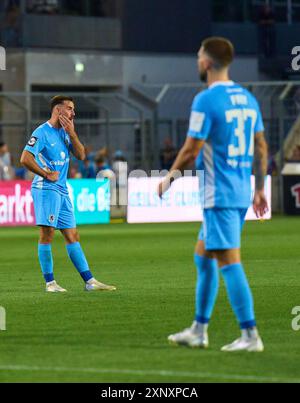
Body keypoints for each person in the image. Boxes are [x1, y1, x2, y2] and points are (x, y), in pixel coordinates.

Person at [158, 37, 268, 352]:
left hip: (219, 194)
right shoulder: (247, 98)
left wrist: (170, 177)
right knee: (202, 257)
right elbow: (260, 146)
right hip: (240, 190)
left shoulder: (206, 99)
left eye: (198, 56)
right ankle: (199, 329)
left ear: (207, 62)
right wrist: (259, 188)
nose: (197, 61)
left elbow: (192, 147)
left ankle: (250, 335)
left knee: (229, 262)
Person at [20, 95, 116, 293]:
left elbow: (81, 155)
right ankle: (50, 283)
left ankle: (89, 281)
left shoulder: (65, 132)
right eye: (70, 109)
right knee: (47, 234)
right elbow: (24, 158)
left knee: (72, 234)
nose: (73, 113)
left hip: (62, 189)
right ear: (58, 110)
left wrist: (72, 134)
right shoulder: (42, 132)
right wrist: (46, 173)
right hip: (46, 188)